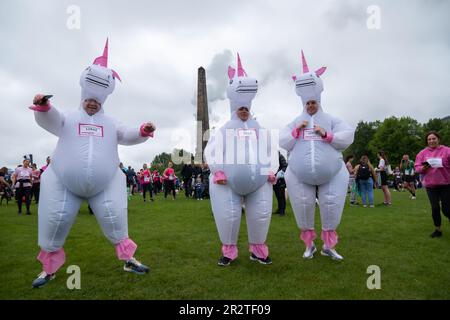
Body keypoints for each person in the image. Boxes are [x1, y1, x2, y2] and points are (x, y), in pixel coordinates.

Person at [29, 39, 155, 288]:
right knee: (54, 222)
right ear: (83, 95)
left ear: (103, 100)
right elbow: (51, 119)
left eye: (97, 100)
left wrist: (143, 130)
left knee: (116, 220)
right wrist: (43, 106)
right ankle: (48, 269)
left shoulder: (110, 123)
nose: (92, 103)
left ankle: (129, 259)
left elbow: (127, 134)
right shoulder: (68, 116)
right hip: (63, 181)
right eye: (89, 99)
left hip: (105, 183)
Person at [280, 51, 354, 261]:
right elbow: (283, 140)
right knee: (303, 208)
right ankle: (309, 245)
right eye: (308, 104)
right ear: (304, 104)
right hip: (299, 175)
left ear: (319, 102)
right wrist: (297, 131)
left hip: (331, 174)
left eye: (314, 103)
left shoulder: (330, 119)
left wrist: (327, 135)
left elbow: (348, 135)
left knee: (331, 208)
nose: (311, 106)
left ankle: (329, 246)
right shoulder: (296, 122)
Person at [205, 53, 278, 266]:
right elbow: (212, 150)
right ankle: (228, 252)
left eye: (246, 108)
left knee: (261, 215)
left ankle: (258, 250)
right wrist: (217, 170)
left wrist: (271, 169)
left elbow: (270, 150)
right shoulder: (225, 129)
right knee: (228, 217)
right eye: (241, 109)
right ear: (235, 109)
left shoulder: (258, 129)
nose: (244, 112)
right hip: (227, 183)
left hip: (259, 182)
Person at [414, 131, 450, 238]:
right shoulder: (422, 153)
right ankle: (438, 229)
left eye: (434, 138)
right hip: (431, 185)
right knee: (435, 208)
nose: (431, 141)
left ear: (438, 139)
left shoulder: (447, 151)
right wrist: (423, 168)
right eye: (429, 139)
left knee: (447, 209)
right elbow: (417, 168)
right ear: (427, 141)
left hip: (446, 184)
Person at [273, 152, 288, 216]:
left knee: (281, 195)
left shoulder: (279, 156)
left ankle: (282, 211)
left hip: (280, 179)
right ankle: (279, 209)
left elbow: (285, 166)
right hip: (274, 179)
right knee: (277, 195)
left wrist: (279, 173)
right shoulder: (272, 157)